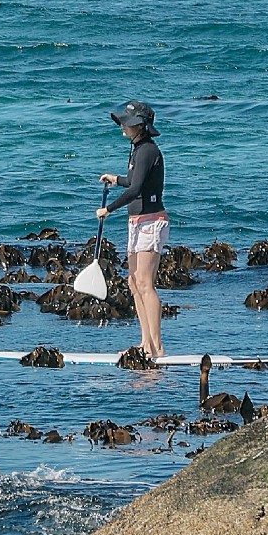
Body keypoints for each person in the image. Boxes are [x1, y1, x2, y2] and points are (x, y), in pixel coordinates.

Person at [95, 101, 166, 361]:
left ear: (141, 125)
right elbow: (135, 182)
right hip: (137, 221)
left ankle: (156, 347)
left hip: (150, 221)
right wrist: (116, 179)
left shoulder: (148, 150)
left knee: (146, 284)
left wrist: (109, 209)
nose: (123, 126)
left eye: (127, 122)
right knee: (134, 283)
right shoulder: (137, 150)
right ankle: (144, 342)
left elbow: (136, 191)